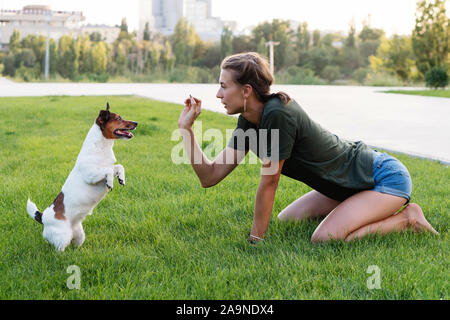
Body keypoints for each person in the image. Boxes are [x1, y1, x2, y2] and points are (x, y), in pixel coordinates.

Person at [177, 52, 438, 244]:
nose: (218, 95)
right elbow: (209, 177)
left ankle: (408, 218)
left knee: (325, 238)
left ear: (246, 91)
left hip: (383, 177)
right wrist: (186, 130)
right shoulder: (248, 121)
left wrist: (255, 241)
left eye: (223, 86)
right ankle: (355, 205)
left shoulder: (278, 114)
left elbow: (269, 183)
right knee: (285, 221)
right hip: (345, 185)